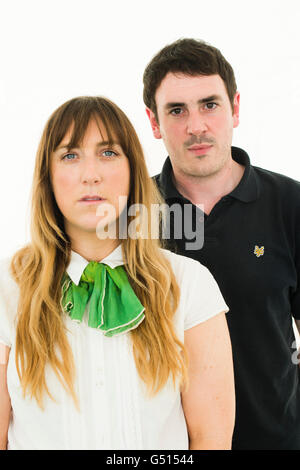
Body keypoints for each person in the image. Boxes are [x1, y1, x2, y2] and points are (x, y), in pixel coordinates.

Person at [0, 96, 234, 450]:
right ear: (48, 176)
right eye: (69, 155)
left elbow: (211, 440)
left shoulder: (189, 284)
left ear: (133, 170)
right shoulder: (7, 289)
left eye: (108, 153)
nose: (90, 175)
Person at [143, 38, 300, 450]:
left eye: (209, 104)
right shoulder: (132, 213)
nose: (196, 125)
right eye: (177, 110)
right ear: (154, 122)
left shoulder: (291, 204)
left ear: (235, 108)